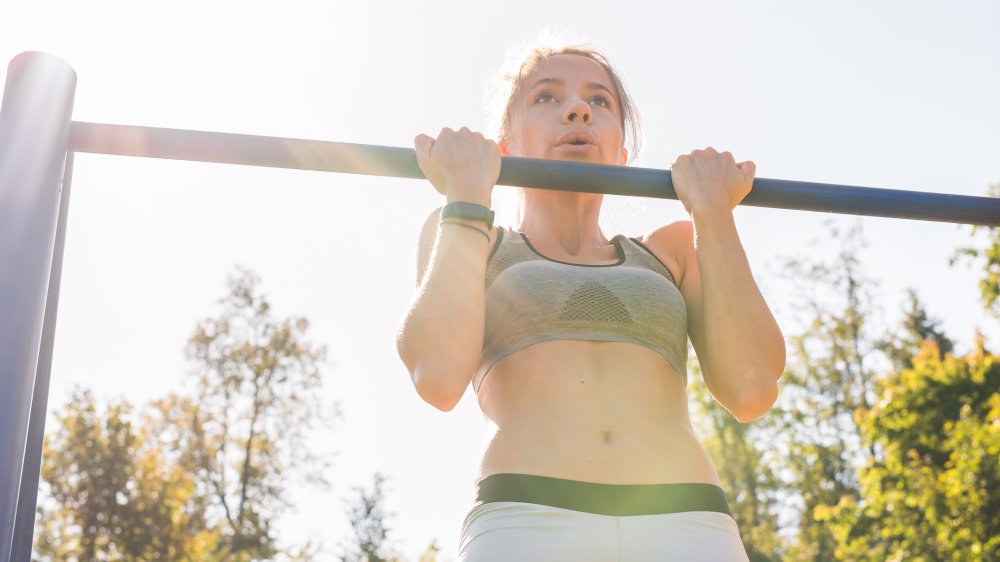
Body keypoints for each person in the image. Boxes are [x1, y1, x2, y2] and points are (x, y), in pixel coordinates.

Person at [395, 40, 785, 561]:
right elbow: (438, 377)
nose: (578, 109)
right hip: (526, 519)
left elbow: (751, 387)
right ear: (503, 148)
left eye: (599, 101)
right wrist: (467, 195)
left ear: (621, 153)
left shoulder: (673, 251)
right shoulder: (479, 239)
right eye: (546, 98)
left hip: (687, 522)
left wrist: (714, 213)